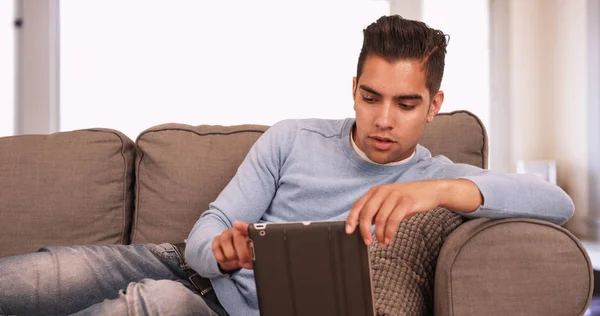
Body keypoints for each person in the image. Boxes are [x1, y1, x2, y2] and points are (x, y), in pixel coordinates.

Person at [0, 15, 573, 316]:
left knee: (153, 306)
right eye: (371, 97)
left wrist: (443, 191)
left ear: (434, 106)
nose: (383, 120)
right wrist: (221, 250)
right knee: (42, 276)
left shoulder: (436, 177)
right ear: (353, 89)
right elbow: (206, 231)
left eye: (406, 104)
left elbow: (558, 205)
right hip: (182, 264)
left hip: (216, 309)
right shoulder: (292, 139)